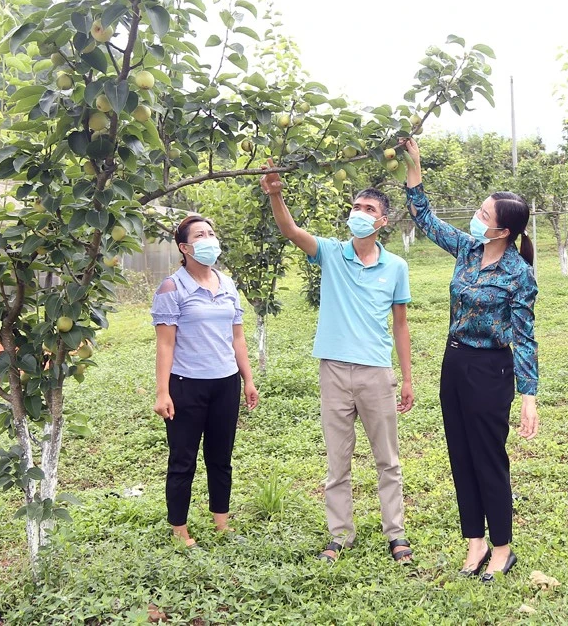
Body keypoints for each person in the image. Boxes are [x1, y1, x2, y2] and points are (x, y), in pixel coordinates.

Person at [260, 163, 416, 564]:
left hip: (376, 373)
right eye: (355, 206)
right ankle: (340, 535)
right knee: (337, 460)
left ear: (382, 220)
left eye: (367, 208)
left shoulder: (395, 267)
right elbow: (291, 232)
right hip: (333, 370)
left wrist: (408, 378)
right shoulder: (331, 252)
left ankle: (396, 535)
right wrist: (276, 194)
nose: (358, 213)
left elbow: (400, 326)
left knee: (388, 459)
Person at [399, 137, 538, 583]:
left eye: (483, 216)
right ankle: (474, 541)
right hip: (454, 363)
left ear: (503, 231)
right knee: (460, 453)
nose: (476, 220)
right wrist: (414, 165)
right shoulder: (467, 250)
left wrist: (529, 396)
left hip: (490, 370)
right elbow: (424, 217)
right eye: (479, 212)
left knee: (488, 457)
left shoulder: (518, 275)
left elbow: (525, 337)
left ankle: (502, 547)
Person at [152, 215, 259, 548]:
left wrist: (248, 379)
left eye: (212, 232)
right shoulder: (172, 287)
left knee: (220, 456)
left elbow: (237, 337)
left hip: (225, 384)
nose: (209, 239)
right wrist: (162, 391)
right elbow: (165, 343)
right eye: (200, 235)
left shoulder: (227, 283)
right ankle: (179, 529)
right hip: (187, 385)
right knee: (183, 459)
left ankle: (221, 522)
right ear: (185, 247)